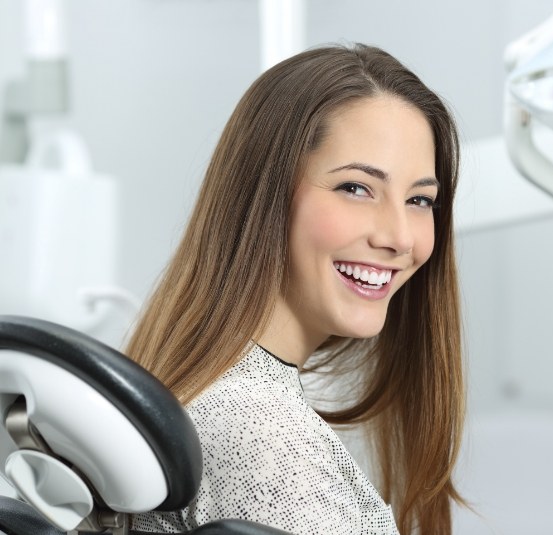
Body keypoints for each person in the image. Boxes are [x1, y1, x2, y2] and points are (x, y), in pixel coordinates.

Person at [128, 43, 465, 535]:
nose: (398, 237)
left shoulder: (217, 393)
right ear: (265, 196)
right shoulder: (261, 434)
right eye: (356, 188)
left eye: (419, 199)